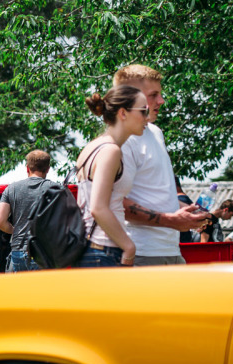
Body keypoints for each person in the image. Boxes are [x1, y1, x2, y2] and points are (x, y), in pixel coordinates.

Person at [116, 65, 211, 266]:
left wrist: (188, 212)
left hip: (170, 249)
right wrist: (171, 220)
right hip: (140, 252)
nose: (161, 101)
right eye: (153, 95)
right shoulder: (123, 140)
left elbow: (155, 195)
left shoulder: (155, 132)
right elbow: (115, 202)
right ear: (130, 97)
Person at [75, 86, 148, 268]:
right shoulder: (111, 151)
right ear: (123, 113)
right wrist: (129, 247)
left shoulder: (93, 146)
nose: (147, 117)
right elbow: (98, 208)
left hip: (90, 247)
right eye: (143, 110)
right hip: (103, 249)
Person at [0, 150, 52, 272]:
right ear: (47, 169)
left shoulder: (11, 188)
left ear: (27, 168)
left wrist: (16, 231)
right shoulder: (56, 189)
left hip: (18, 251)